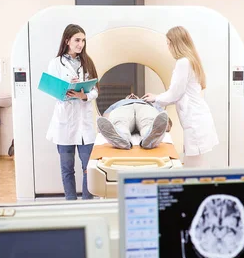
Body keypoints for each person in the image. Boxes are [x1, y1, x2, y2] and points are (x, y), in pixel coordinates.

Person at [142, 26, 219, 168]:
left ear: (174, 43)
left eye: (168, 43)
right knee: (194, 166)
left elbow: (175, 94)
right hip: (198, 118)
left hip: (195, 121)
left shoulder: (183, 62)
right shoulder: (192, 60)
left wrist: (155, 98)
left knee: (193, 168)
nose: (168, 47)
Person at [46, 24, 98, 200]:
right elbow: (53, 90)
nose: (81, 44)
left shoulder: (88, 62)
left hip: (85, 124)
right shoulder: (55, 63)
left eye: (83, 40)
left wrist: (84, 96)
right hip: (65, 123)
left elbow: (95, 90)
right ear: (67, 41)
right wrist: (69, 90)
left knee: (88, 168)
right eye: (77, 40)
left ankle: (86, 203)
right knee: (67, 169)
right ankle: (70, 203)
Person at [96, 94, 171, 150]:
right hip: (123, 108)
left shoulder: (150, 103)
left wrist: (166, 125)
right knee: (119, 122)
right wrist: (104, 126)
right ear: (125, 98)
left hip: (144, 107)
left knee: (149, 121)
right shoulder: (118, 103)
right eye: (129, 95)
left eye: (135, 95)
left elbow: (163, 119)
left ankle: (150, 137)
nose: (132, 94)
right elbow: (105, 116)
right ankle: (121, 138)